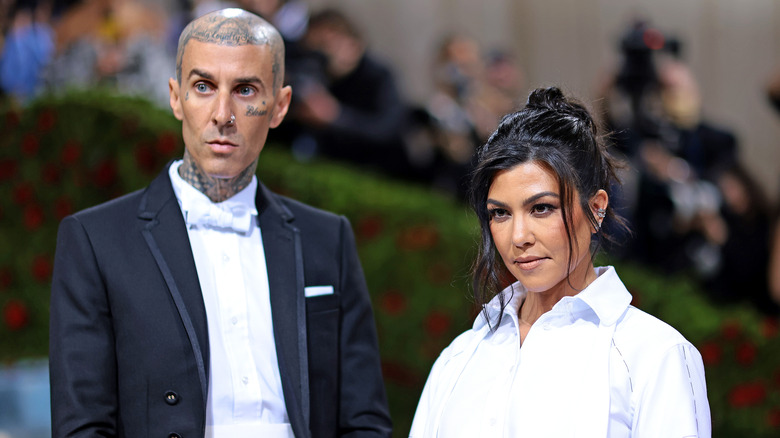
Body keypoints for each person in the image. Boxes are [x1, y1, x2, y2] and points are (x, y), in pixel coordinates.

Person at [49, 8, 392, 438]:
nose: (222, 114)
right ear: (176, 97)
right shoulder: (96, 240)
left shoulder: (328, 238)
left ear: (279, 106)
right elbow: (82, 426)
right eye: (203, 86)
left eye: (245, 89)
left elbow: (363, 419)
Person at [410, 87, 710, 437]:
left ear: (597, 209)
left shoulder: (654, 356)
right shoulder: (458, 358)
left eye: (541, 208)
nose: (518, 236)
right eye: (500, 213)